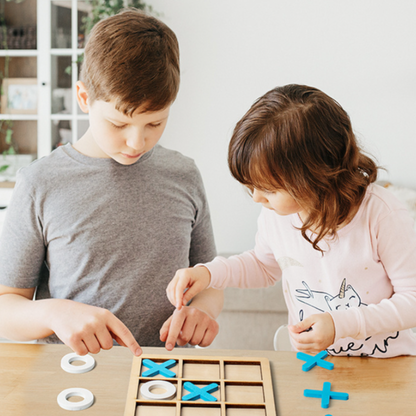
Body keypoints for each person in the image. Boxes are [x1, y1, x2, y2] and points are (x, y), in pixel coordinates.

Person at [0, 9, 223, 357]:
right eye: (119, 124)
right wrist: (54, 312)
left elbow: (210, 280)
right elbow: (5, 308)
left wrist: (203, 311)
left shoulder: (184, 175)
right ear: (84, 97)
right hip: (71, 383)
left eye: (155, 124)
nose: (137, 142)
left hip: (162, 379)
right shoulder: (39, 183)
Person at [167, 84, 416, 357]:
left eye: (270, 189)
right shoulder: (277, 215)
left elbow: (412, 299)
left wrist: (341, 325)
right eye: (251, 186)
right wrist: (209, 274)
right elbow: (263, 266)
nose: (257, 198)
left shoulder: (382, 214)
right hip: (314, 365)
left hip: (387, 368)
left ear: (315, 175)